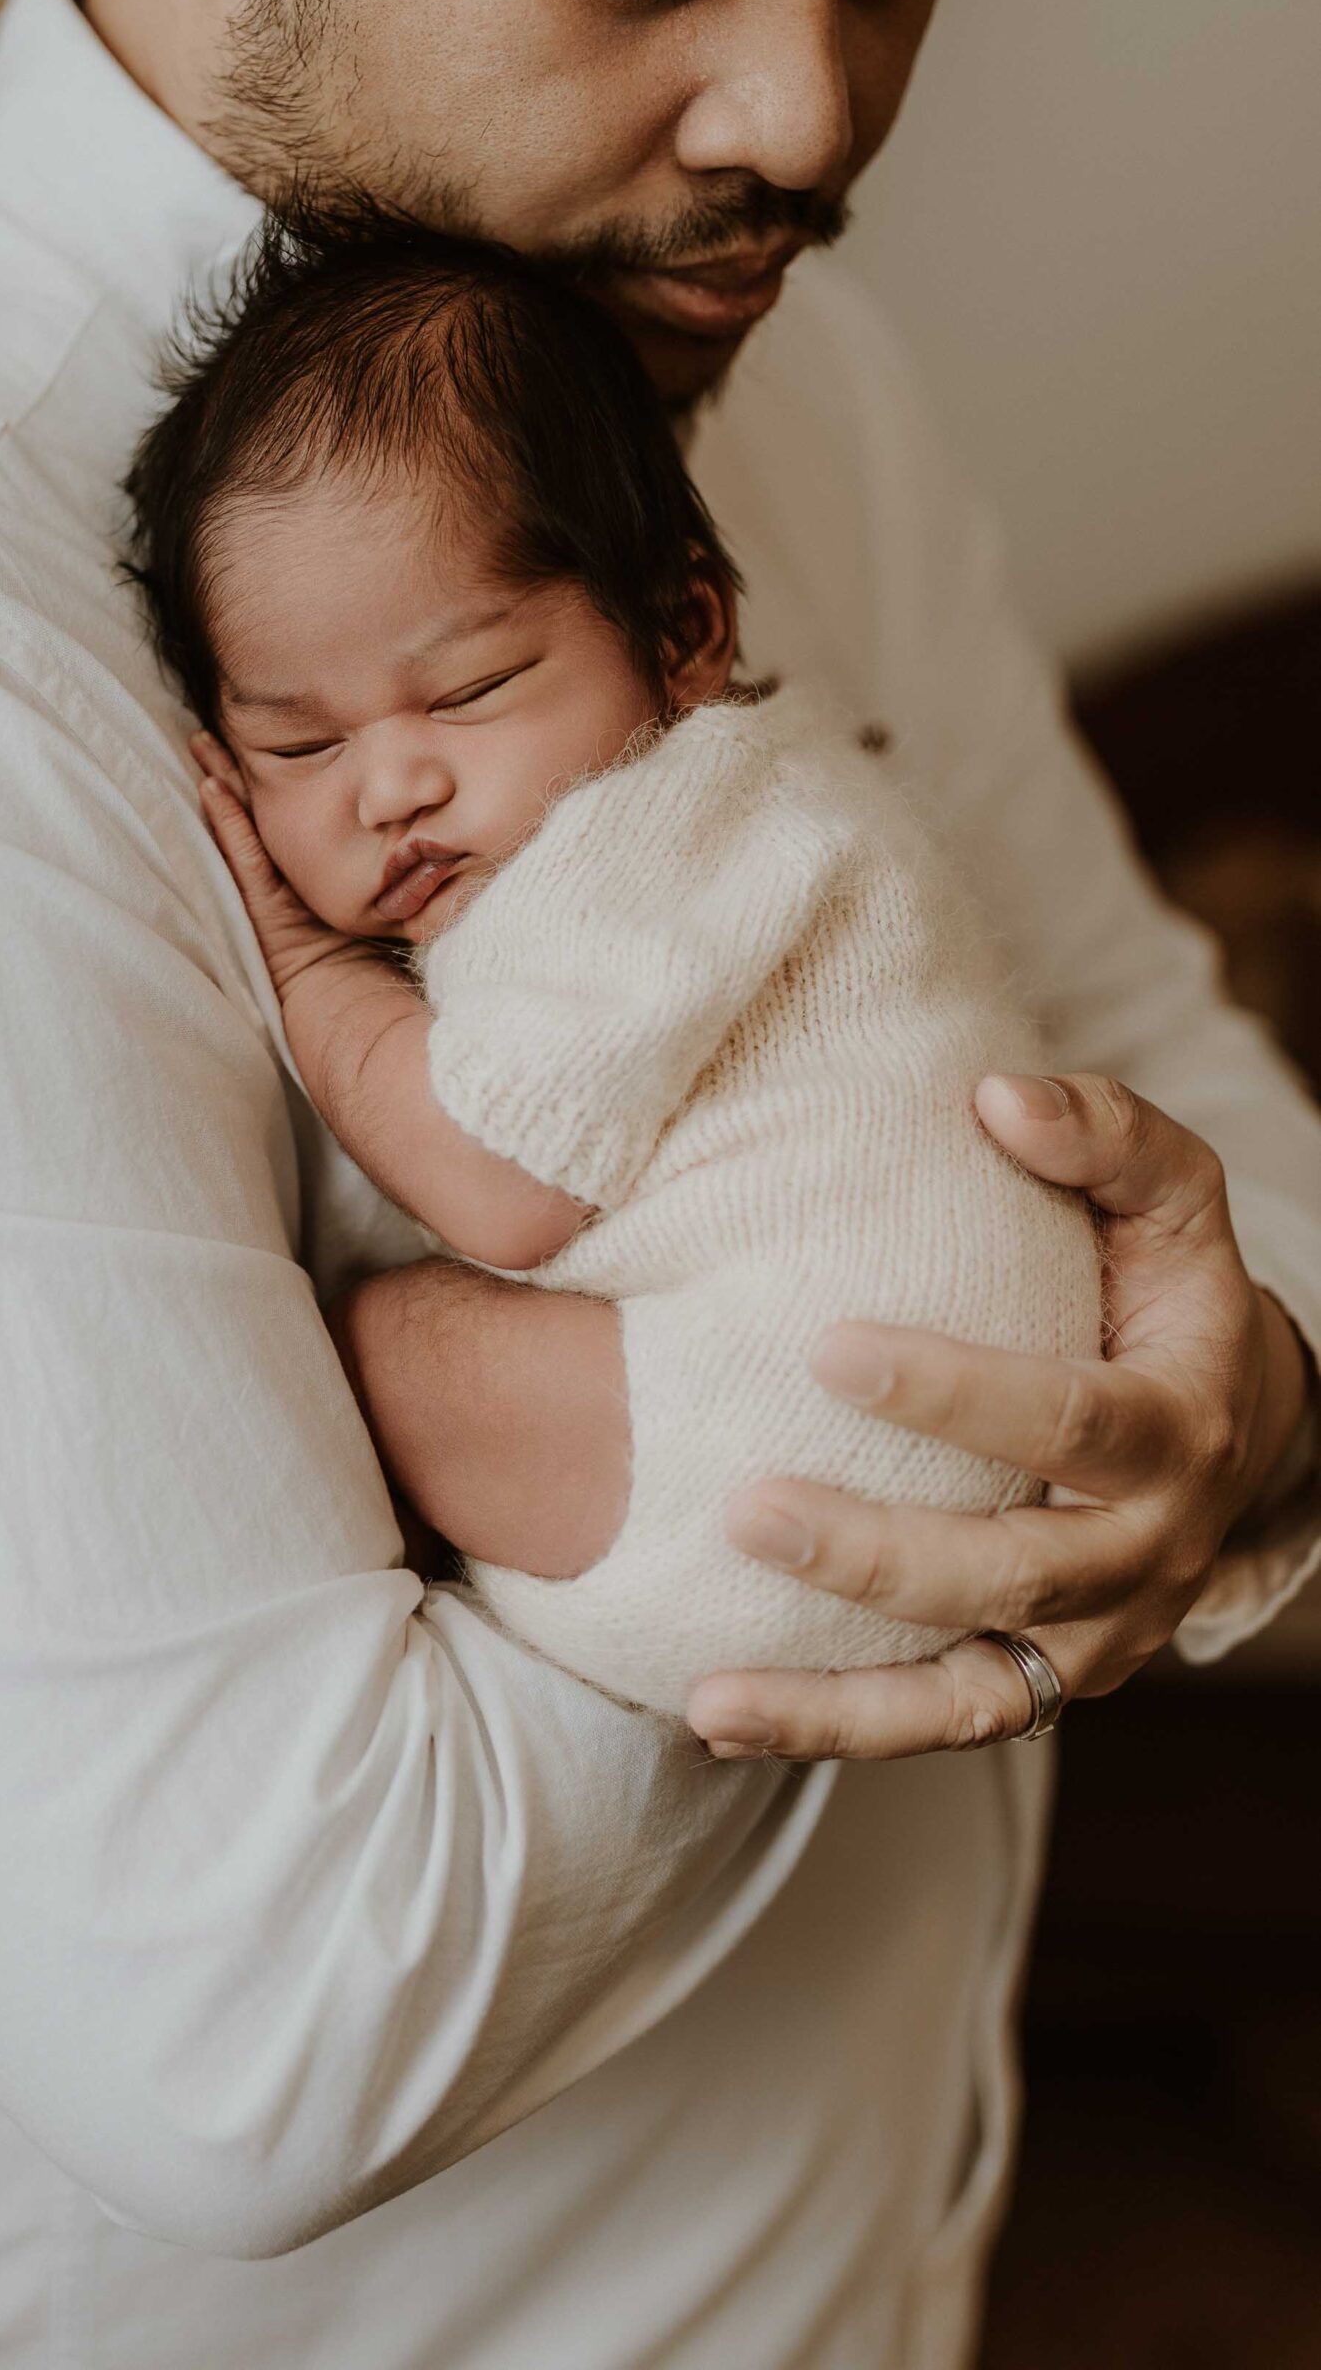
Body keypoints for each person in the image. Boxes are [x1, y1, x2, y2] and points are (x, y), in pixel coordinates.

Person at [0, 0, 1315, 2363]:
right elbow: (254, 2020)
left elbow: (1166, 1076)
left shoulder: (767, 371)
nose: (809, 112)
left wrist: (1241, 1400)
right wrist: (930, 1472)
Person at [126, 209, 1103, 1711]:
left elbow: (500, 1185)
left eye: (469, 689)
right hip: (948, 1442)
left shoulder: (642, 834)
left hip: (803, 1449)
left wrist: (311, 967)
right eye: (299, 746)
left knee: (387, 1336)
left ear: (682, 630)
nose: (389, 787)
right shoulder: (783, 801)